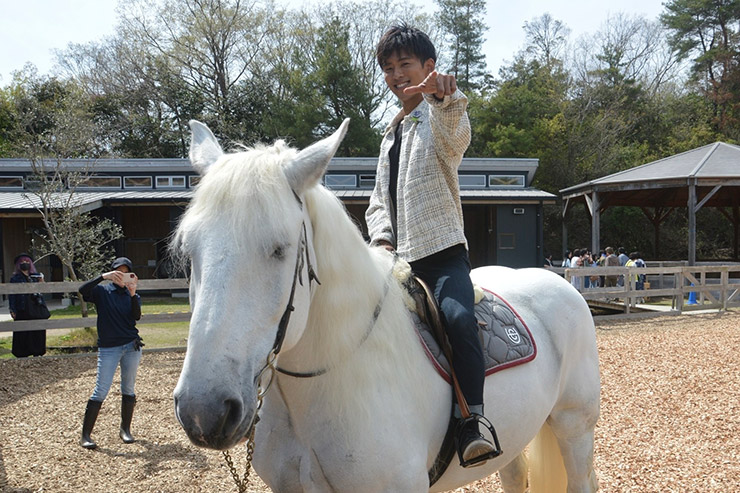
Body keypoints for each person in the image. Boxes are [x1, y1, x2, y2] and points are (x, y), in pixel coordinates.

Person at [365, 23, 499, 466]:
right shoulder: (389, 137)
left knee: (459, 319)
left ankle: (473, 421)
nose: (397, 74)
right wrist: (382, 239)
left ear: (429, 67)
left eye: (405, 64)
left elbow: (456, 138)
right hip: (394, 261)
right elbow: (377, 202)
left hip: (440, 255)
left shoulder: (439, 116)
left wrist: (443, 97)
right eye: (389, 68)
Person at [77, 257, 143, 449]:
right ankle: (85, 435)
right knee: (101, 389)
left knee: (128, 388)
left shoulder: (132, 295)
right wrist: (102, 277)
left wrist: (132, 294)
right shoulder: (101, 291)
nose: (121, 275)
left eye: (125, 272)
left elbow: (136, 316)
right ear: (112, 273)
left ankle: (125, 430)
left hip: (131, 346)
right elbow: (82, 291)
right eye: (118, 272)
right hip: (109, 348)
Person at [8, 253, 47, 357]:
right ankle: (23, 354)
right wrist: (12, 309)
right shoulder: (15, 279)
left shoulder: (35, 276)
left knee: (37, 331)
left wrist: (41, 282)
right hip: (23, 308)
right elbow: (12, 295)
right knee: (23, 332)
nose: (24, 264)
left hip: (36, 307)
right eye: (22, 262)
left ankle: (38, 352)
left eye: (27, 262)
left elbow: (43, 291)